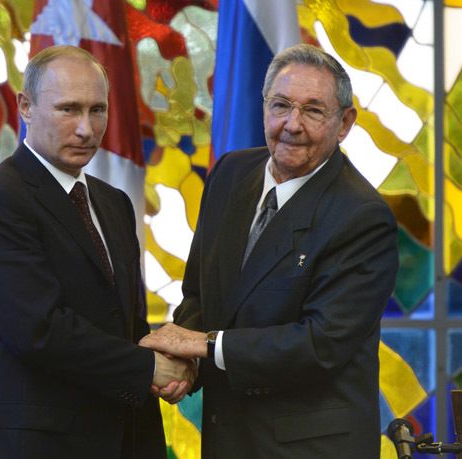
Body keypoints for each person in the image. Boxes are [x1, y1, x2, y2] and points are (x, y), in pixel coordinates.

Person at [140, 43, 399, 458]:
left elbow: (318, 344)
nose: (292, 124)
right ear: (263, 107)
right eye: (280, 105)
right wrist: (183, 366)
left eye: (313, 110)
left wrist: (202, 346)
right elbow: (201, 294)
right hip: (229, 437)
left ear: (345, 122)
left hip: (309, 449)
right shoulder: (229, 173)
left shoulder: (362, 217)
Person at [0, 45, 195, 459]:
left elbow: (121, 320)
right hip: (31, 445)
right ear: (25, 107)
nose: (86, 129)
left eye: (97, 110)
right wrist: (149, 368)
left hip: (120, 436)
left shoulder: (113, 202)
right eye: (68, 110)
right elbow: (39, 330)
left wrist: (177, 362)